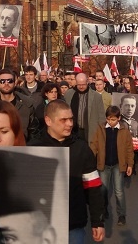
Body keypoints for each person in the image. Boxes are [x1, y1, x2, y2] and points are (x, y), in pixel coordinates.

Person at [30, 100, 105, 243]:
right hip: (42, 229)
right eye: (63, 120)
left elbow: (94, 188)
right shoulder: (34, 147)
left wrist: (97, 221)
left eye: (71, 119)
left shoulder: (81, 148)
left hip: (73, 225)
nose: (70, 124)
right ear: (48, 120)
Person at [90, 105, 134, 226]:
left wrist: (130, 164)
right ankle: (103, 211)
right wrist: (90, 159)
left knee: (119, 191)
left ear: (118, 118)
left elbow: (129, 148)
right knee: (103, 190)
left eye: (113, 119)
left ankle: (121, 215)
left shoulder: (124, 130)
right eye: (108, 119)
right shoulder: (101, 128)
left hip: (118, 164)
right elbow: (94, 144)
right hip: (103, 164)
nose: (111, 122)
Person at [0, 68, 40, 142]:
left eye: (10, 81)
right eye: (2, 81)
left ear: (15, 83)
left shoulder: (27, 105)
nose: (6, 84)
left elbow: (34, 131)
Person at [64, 72, 105, 143]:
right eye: (79, 85)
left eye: (83, 85)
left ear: (87, 82)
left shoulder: (96, 96)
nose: (81, 87)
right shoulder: (69, 94)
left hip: (89, 131)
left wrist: (101, 133)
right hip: (73, 130)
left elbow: (101, 117)